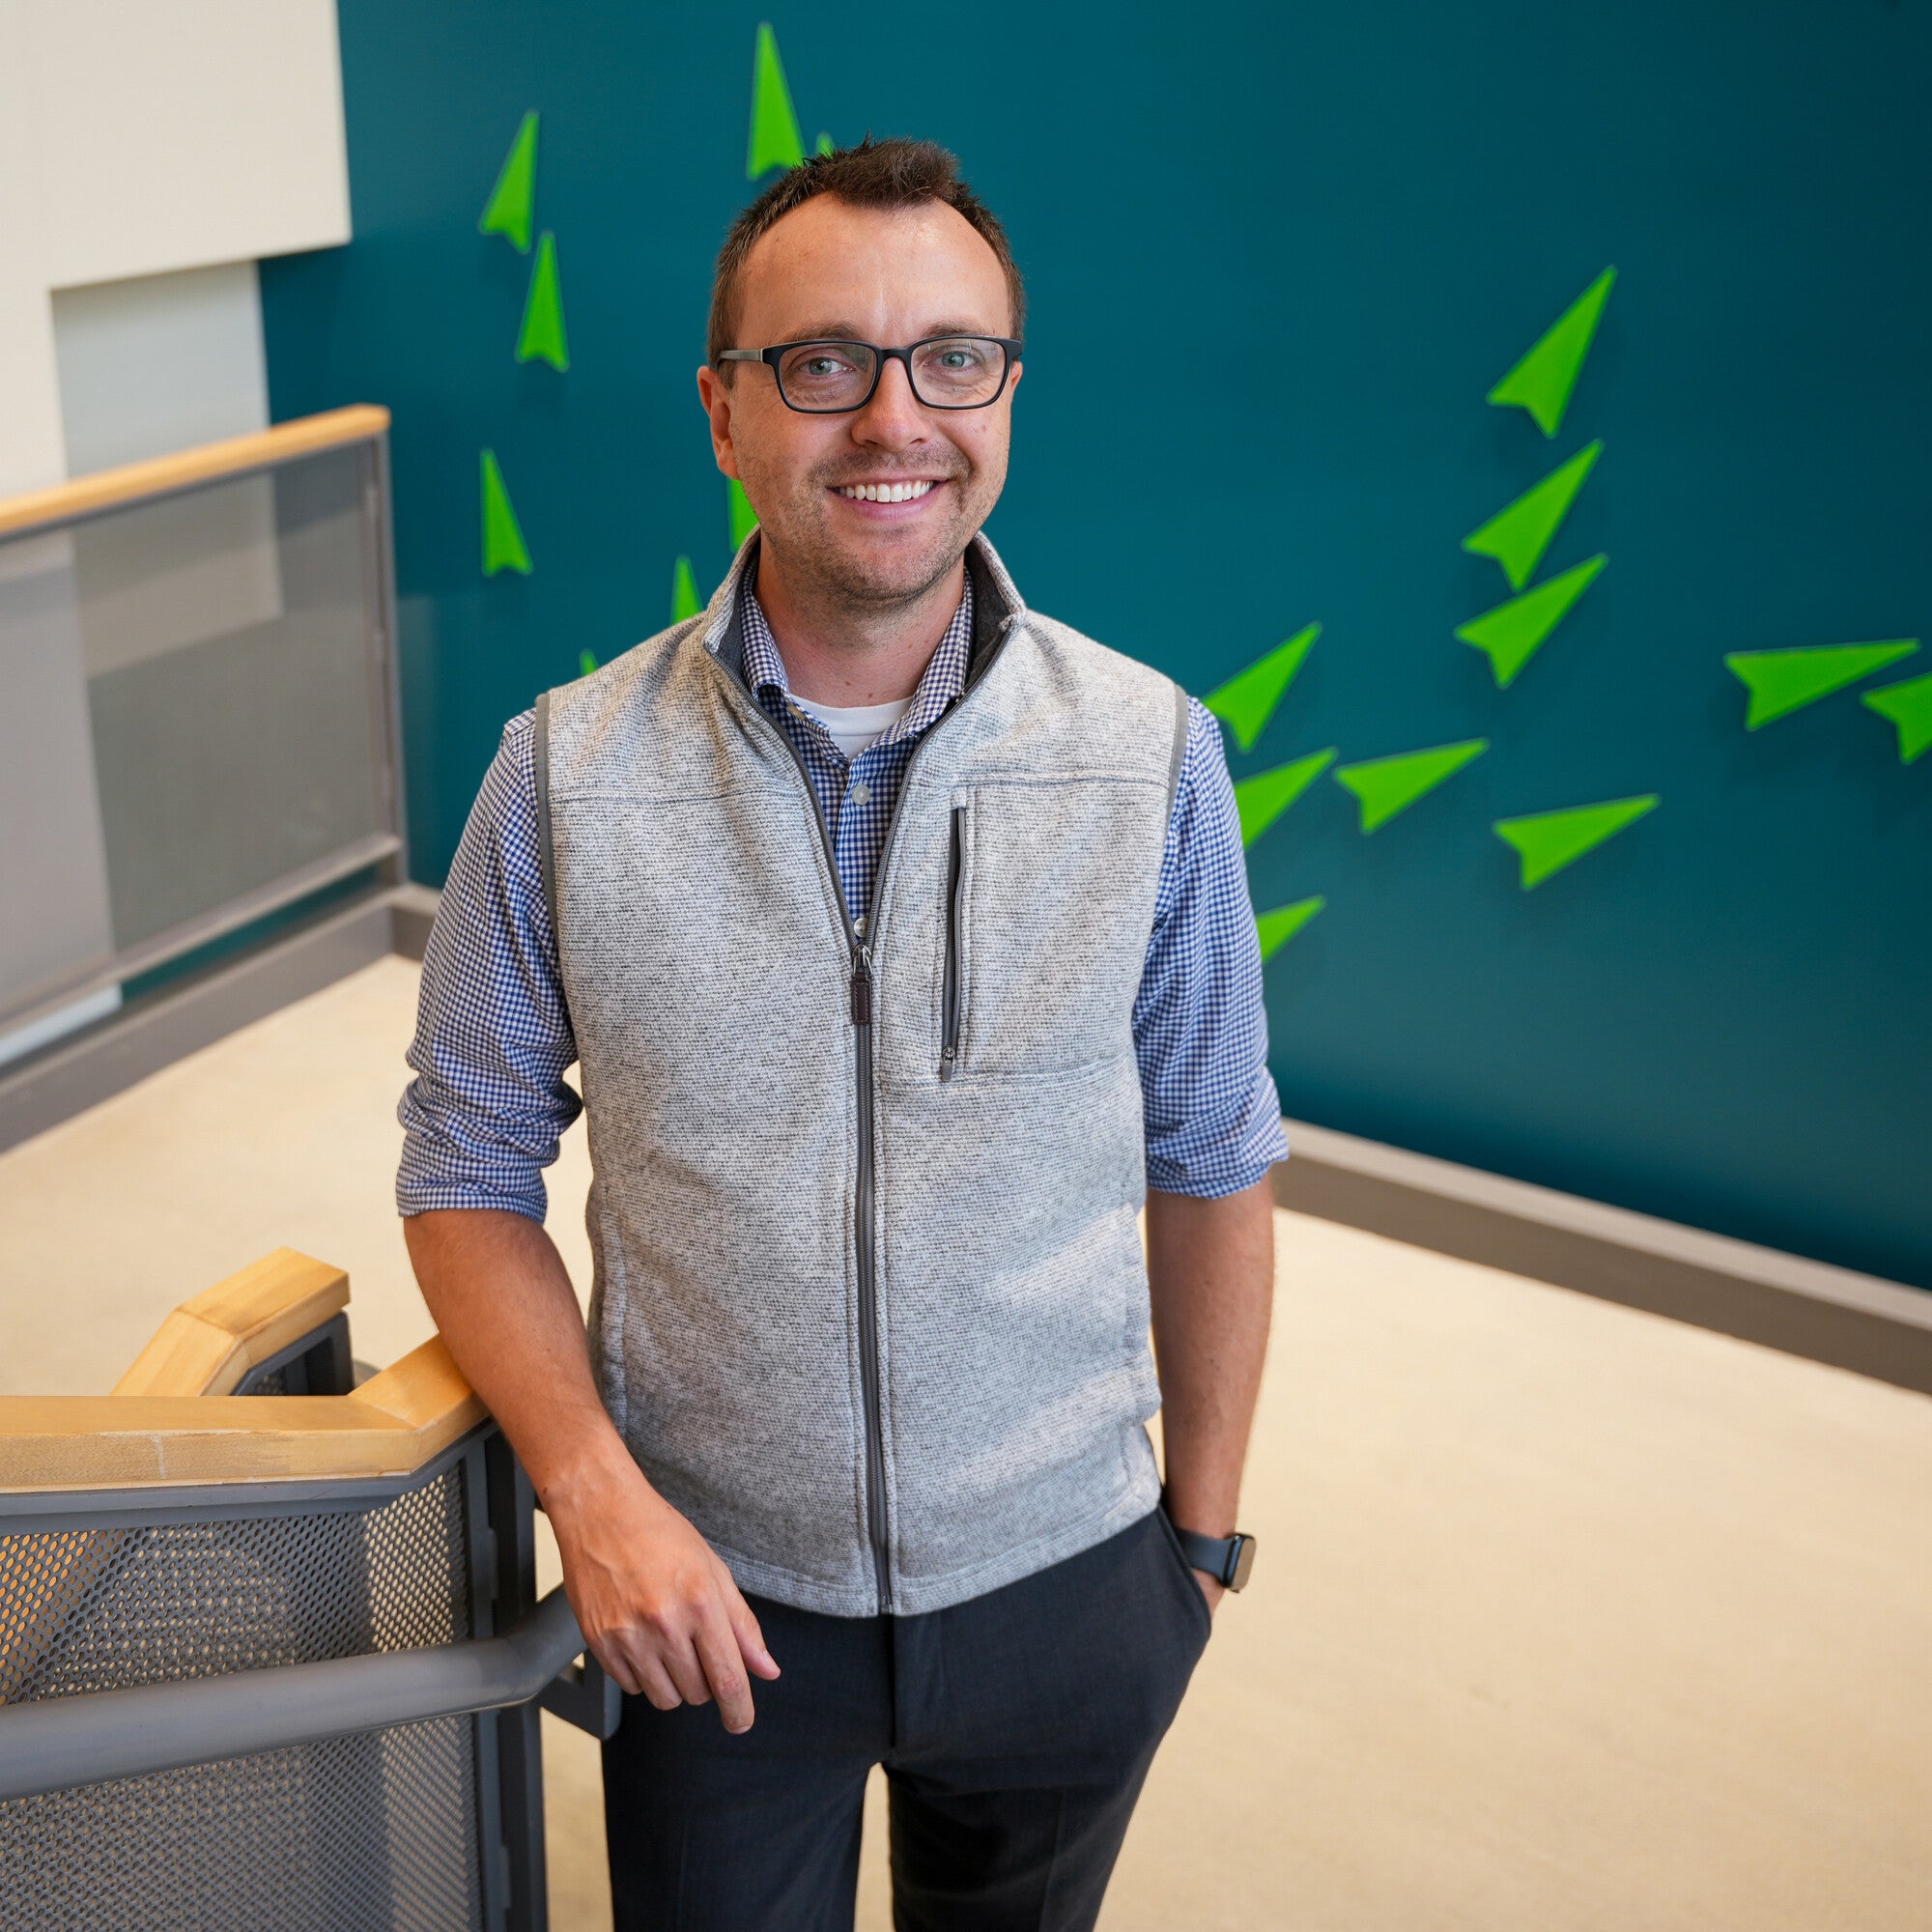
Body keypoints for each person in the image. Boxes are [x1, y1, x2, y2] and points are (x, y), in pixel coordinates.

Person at [398, 136, 1284, 1931]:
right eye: (824, 365)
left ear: (1007, 396)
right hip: (713, 1600)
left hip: (1068, 1583)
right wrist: (597, 1497)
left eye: (953, 358)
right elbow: (464, 1165)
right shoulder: (562, 774)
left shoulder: (1153, 756)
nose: (897, 420)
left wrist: (1190, 1547)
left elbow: (1214, 1155)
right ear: (725, 413)